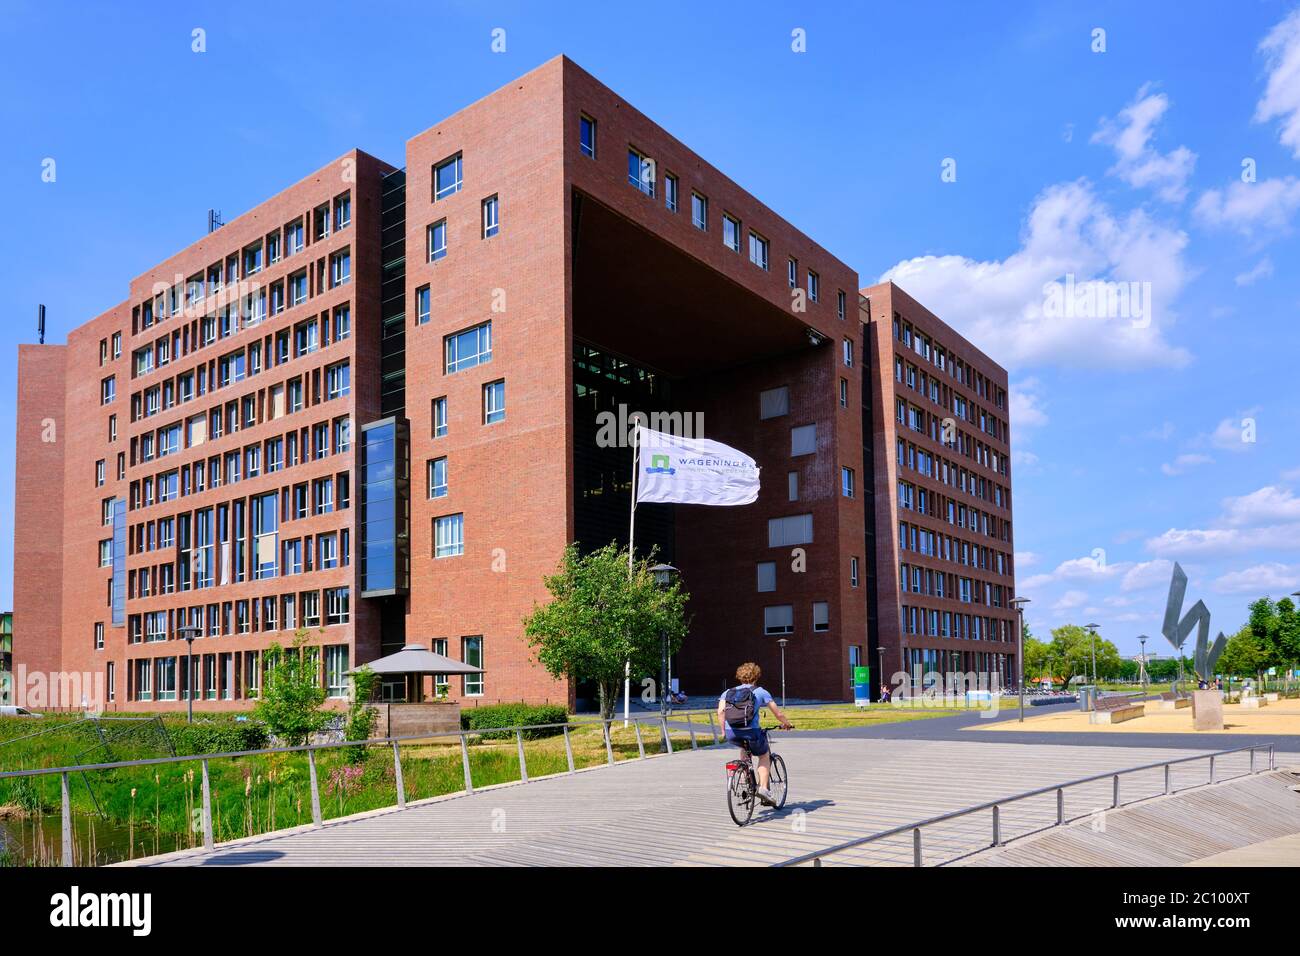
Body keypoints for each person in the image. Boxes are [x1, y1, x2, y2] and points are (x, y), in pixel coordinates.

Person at [718, 662, 792, 806]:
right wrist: (787, 724)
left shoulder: (727, 692)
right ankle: (763, 789)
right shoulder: (761, 691)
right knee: (764, 755)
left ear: (739, 676)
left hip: (731, 732)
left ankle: (746, 778)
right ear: (756, 676)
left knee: (744, 748)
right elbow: (778, 713)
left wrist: (723, 731)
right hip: (751, 732)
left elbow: (720, 712)